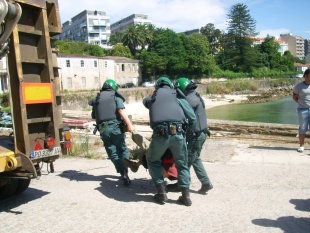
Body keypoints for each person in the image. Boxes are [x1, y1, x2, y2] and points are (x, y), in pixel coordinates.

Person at [143, 76, 196, 206]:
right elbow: (192, 118)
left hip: (159, 135)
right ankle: (186, 196)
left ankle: (162, 193)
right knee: (182, 164)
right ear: (170, 85)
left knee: (153, 160)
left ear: (157, 86)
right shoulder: (177, 95)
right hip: (178, 134)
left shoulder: (153, 98)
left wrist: (154, 95)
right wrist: (188, 134)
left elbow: (145, 102)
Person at [167, 77, 213, 195]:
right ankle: (206, 183)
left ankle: (181, 185)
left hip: (195, 136)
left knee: (185, 161)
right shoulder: (196, 95)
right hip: (201, 134)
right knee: (195, 158)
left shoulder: (189, 100)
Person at [89, 79, 133, 186]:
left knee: (113, 153)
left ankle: (122, 173)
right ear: (113, 87)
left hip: (103, 130)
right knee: (123, 150)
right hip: (115, 127)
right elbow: (121, 110)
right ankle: (126, 172)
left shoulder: (97, 99)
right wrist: (129, 124)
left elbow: (94, 116)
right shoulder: (115, 96)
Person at [293, 68, 310, 152]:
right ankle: (302, 146)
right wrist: (301, 104)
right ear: (305, 76)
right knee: (302, 128)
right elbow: (295, 97)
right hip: (302, 110)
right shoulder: (299, 86)